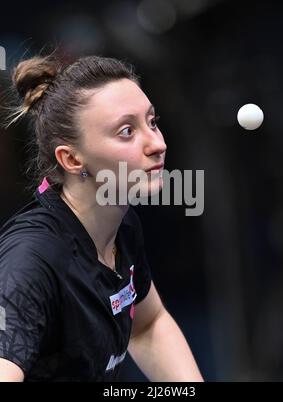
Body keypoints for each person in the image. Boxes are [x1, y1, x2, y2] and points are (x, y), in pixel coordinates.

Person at [0, 53, 203, 382]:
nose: (157, 143)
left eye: (151, 122)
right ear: (71, 159)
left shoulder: (121, 226)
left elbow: (147, 326)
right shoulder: (32, 261)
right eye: (126, 131)